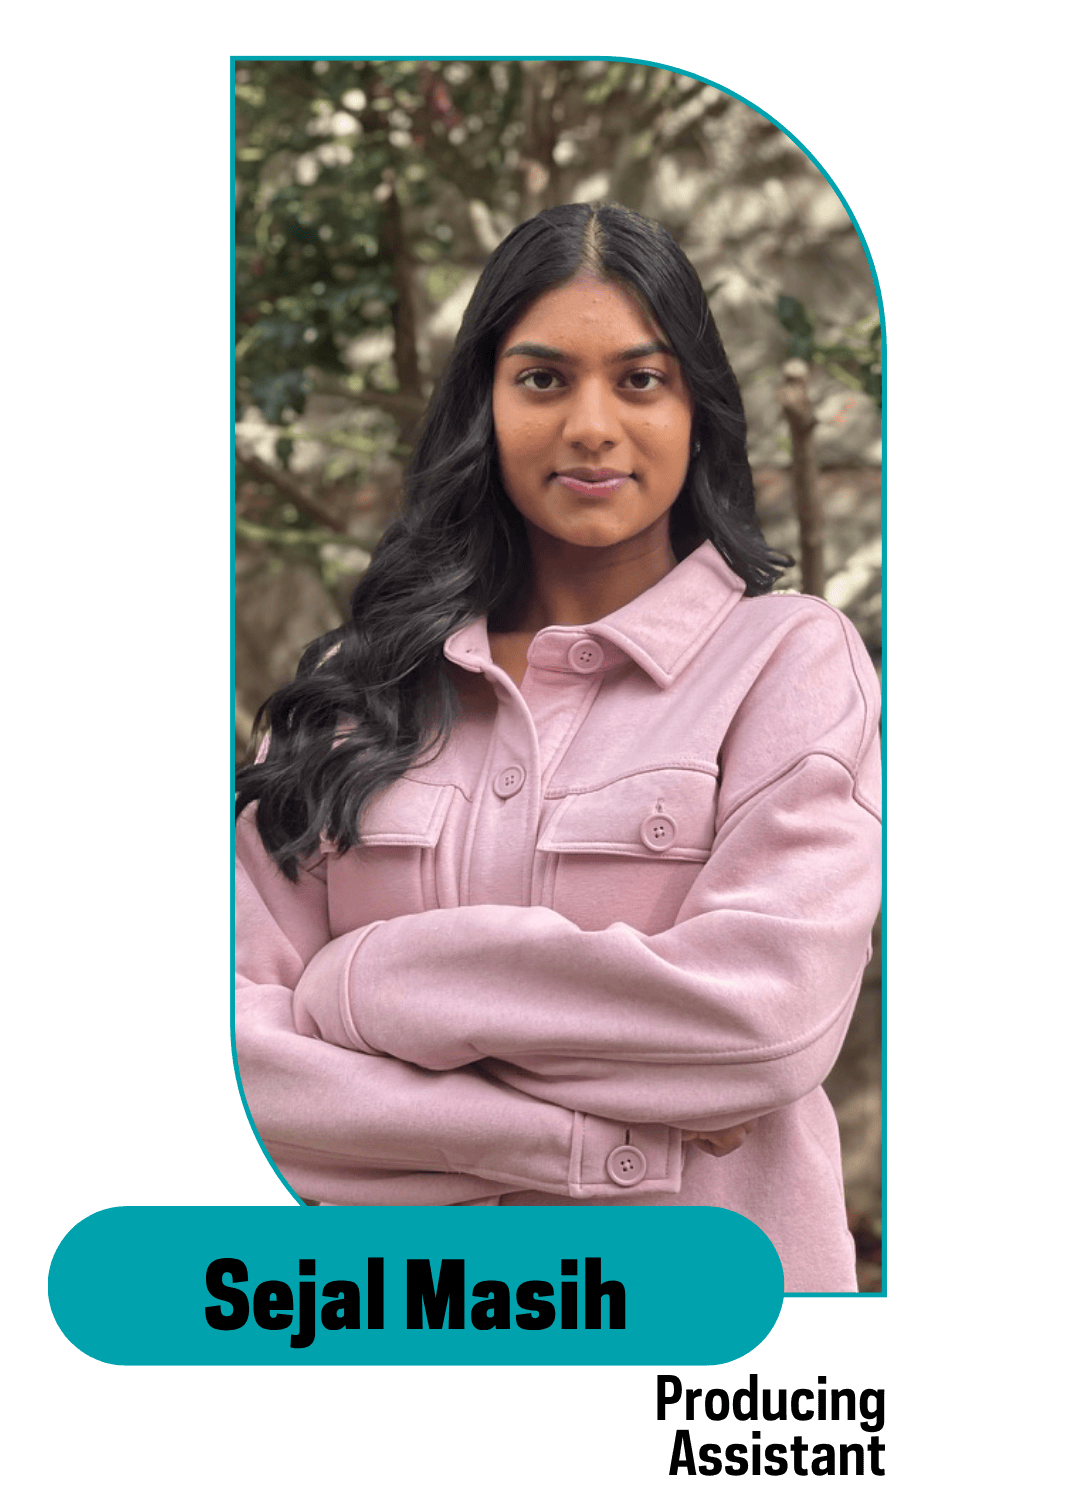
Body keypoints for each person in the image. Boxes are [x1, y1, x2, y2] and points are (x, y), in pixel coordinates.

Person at [235, 202, 881, 1293]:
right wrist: (586, 1142)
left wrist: (369, 984)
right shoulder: (356, 690)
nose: (591, 424)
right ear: (483, 407)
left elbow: (763, 1025)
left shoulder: (790, 664)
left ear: (697, 410)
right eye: (542, 379)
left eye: (640, 379)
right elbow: (240, 1074)